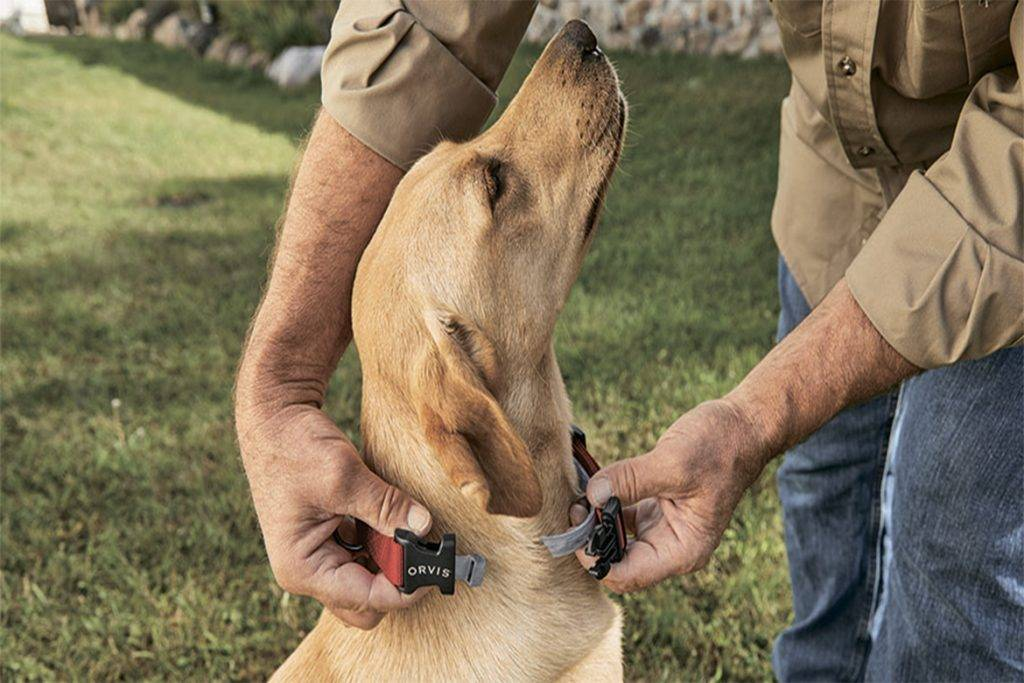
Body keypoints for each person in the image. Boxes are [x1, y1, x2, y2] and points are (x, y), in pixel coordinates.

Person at [234, 1, 1023, 678]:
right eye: (494, 183)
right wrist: (278, 382)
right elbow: (433, 14)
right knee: (826, 495)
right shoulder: (475, 432)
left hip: (1006, 214)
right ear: (472, 415)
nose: (565, 47)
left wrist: (752, 421)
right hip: (843, 178)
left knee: (953, 548)